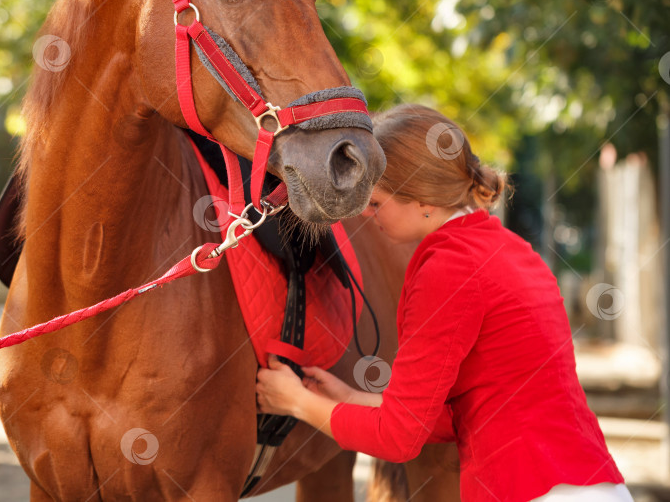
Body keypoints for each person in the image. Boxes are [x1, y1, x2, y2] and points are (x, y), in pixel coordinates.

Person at [256, 104, 632, 501]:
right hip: (591, 483)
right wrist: (350, 398)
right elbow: (465, 413)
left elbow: (398, 439)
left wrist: (296, 402)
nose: (367, 214)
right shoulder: (510, 249)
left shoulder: (448, 268)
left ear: (423, 200)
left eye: (377, 202)